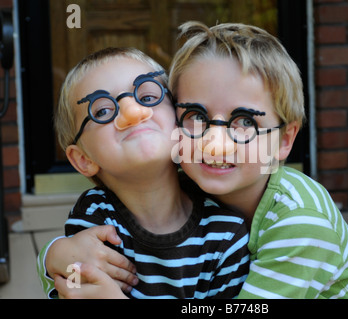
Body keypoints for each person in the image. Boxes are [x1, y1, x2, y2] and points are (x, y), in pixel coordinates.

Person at [168, 21, 348, 299]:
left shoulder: (301, 222)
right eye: (196, 116)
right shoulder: (181, 184)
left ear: (284, 140)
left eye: (244, 121)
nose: (215, 145)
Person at [36, 47, 249, 299]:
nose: (132, 114)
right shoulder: (94, 215)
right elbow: (70, 287)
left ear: (181, 118)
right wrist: (58, 258)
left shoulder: (225, 233)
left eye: (147, 97)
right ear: (83, 159)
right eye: (102, 111)